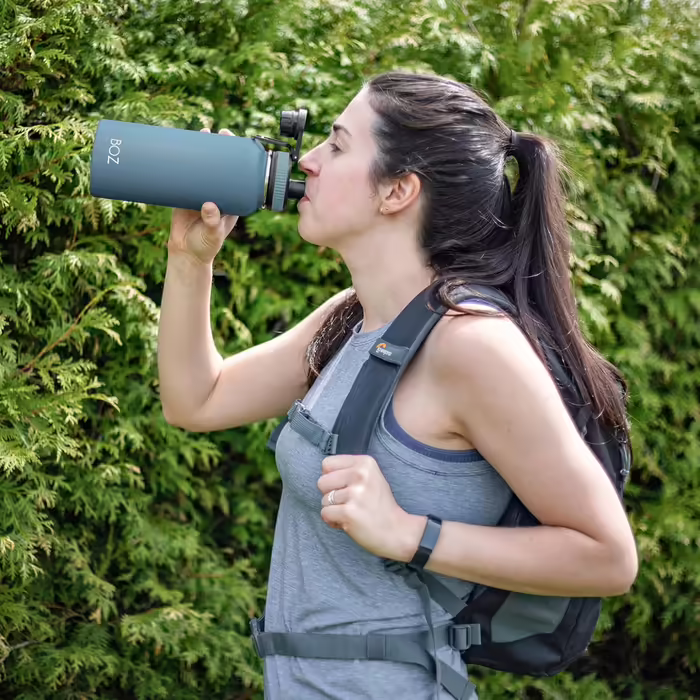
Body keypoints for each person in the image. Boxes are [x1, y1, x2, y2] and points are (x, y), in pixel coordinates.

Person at [158, 70, 638, 699]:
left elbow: (607, 556)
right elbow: (197, 400)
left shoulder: (472, 346)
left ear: (397, 191)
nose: (308, 160)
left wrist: (410, 534)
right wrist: (190, 259)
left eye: (336, 144)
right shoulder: (354, 316)